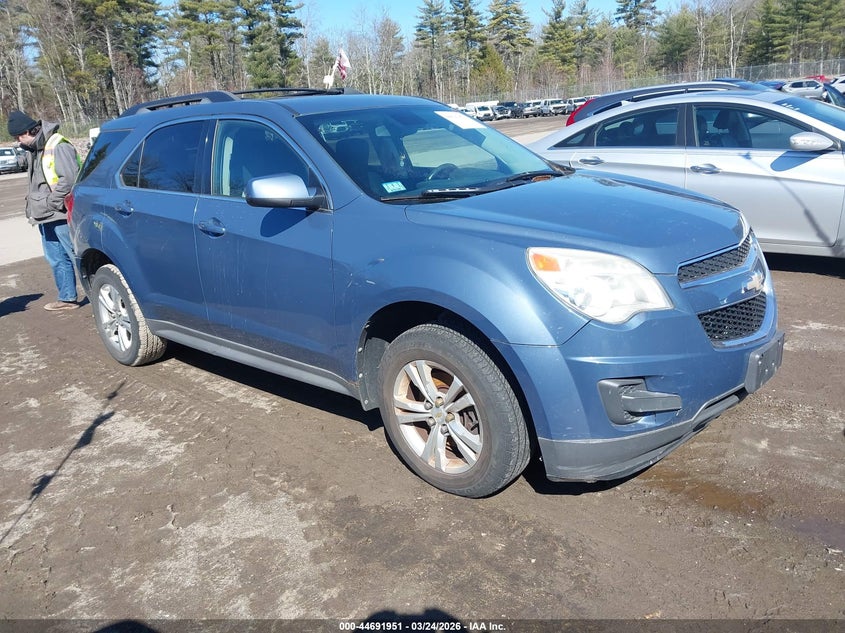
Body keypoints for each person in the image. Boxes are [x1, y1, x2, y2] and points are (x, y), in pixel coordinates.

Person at [7, 110, 81, 311]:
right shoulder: (34, 149)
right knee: (56, 259)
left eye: (19, 137)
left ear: (32, 130)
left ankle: (99, 294)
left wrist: (51, 203)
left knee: (77, 255)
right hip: (44, 216)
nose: (18, 141)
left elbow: (69, 180)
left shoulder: (58, 145)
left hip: (59, 213)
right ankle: (67, 298)